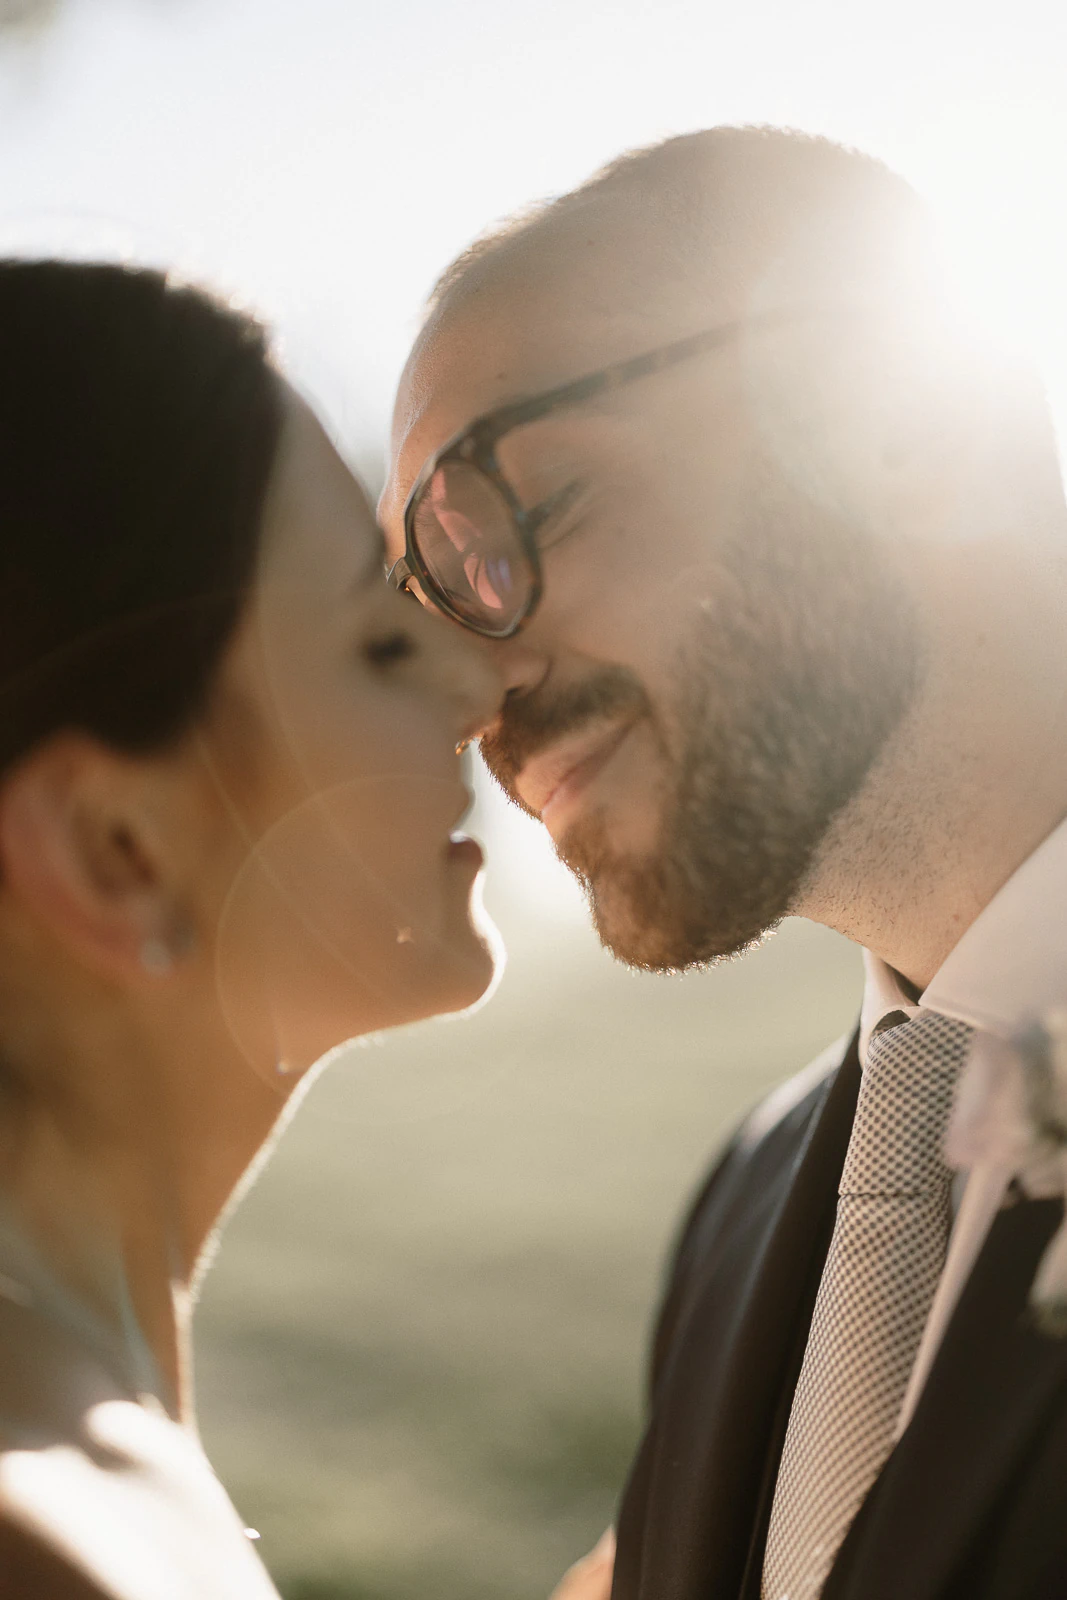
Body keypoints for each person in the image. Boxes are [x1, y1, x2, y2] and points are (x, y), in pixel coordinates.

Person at [380, 126, 1067, 1600]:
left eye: (507, 523)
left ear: (889, 415)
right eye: (424, 610)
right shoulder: (749, 1208)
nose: (468, 692)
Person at [0, 258, 500, 1597]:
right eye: (379, 646)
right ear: (116, 853)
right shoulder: (45, 1549)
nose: (479, 683)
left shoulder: (89, 1451)